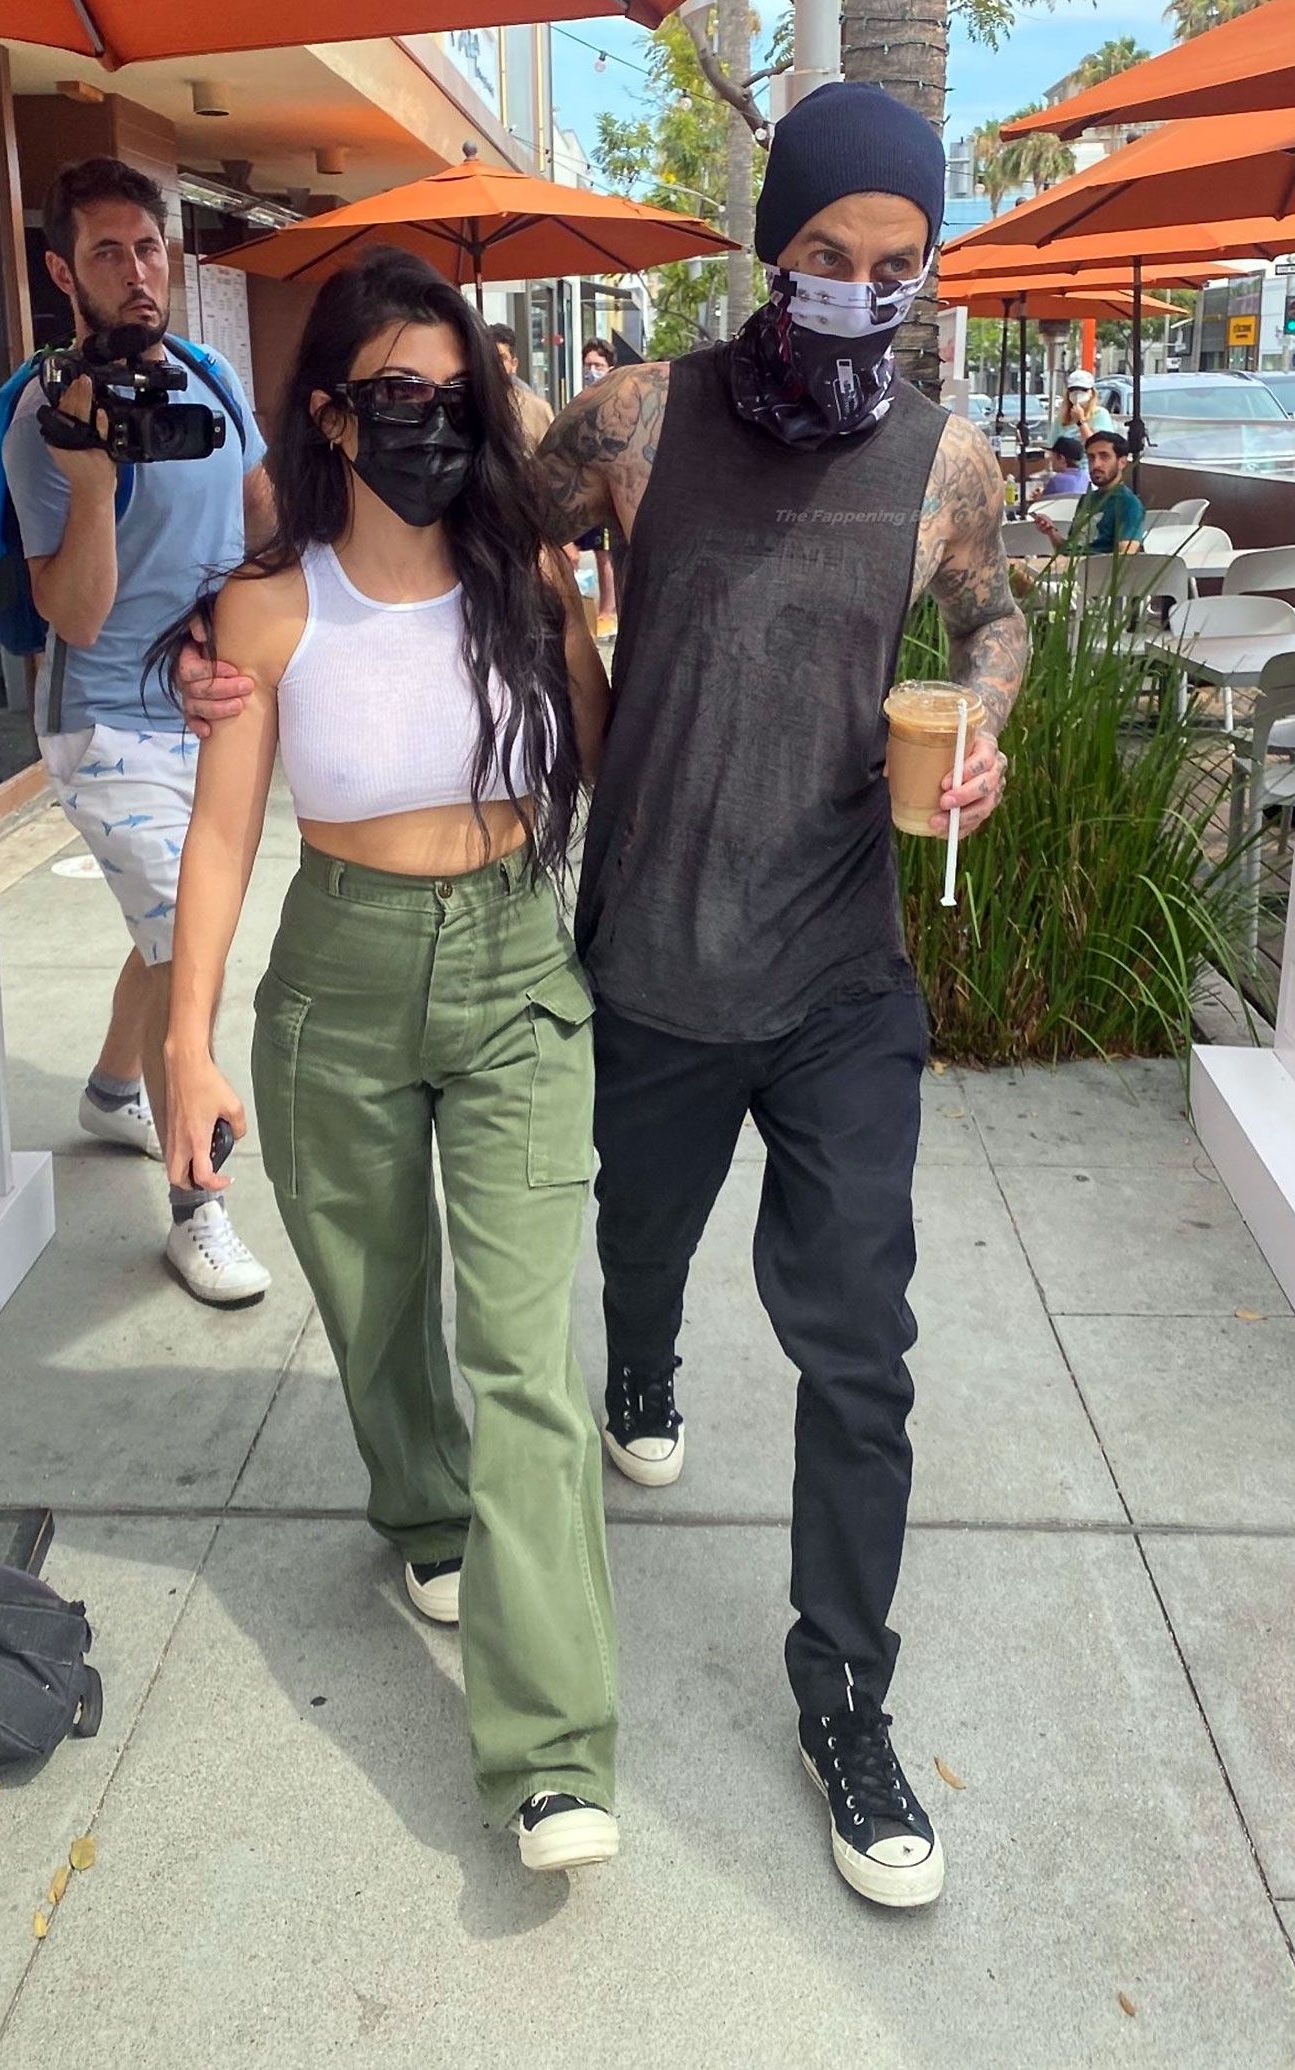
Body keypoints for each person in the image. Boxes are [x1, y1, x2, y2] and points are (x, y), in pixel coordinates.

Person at [176, 81, 1024, 1912]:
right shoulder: (637, 420)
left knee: (857, 1346)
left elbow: (993, 610)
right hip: (642, 958)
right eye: (824, 251)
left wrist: (984, 726)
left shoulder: (943, 459)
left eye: (895, 261)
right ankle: (638, 1352)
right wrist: (233, 636)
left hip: (839, 970)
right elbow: (454, 522)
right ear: (771, 249)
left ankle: (842, 1698)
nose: (858, 286)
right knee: (628, 1255)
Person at [156, 247, 620, 1874]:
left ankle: (551, 1753)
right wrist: (186, 1046)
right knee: (375, 1313)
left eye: (452, 393)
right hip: (336, 983)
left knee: (520, 1355)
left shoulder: (525, 579)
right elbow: (222, 838)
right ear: (331, 417)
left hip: (512, 973)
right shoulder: (266, 609)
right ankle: (423, 1513)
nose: (428, 422)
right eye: (393, 395)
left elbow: (606, 755)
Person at [3, 156, 274, 1305]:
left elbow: (260, 515)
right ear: (64, 271)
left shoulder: (211, 377)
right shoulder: (45, 416)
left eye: (148, 247)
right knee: (184, 942)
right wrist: (91, 480)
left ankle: (114, 1090)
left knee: (171, 928)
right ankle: (196, 1206)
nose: (136, 270)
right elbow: (73, 613)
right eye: (106, 252)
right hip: (106, 718)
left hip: (207, 710)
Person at [1031, 429, 1143, 557]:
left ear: (1122, 462)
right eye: (1091, 458)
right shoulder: (1087, 499)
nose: (1096, 464)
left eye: (1104, 456)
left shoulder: (1128, 504)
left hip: (1095, 569)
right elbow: (1069, 551)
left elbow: (1125, 559)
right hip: (1071, 567)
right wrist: (1052, 532)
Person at [577, 337, 619, 636]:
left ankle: (607, 611)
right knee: (581, 551)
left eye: (598, 365)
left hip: (607, 494)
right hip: (583, 491)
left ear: (610, 368)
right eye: (588, 365)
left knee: (605, 556)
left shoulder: (616, 404)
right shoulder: (580, 403)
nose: (592, 371)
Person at [488, 322, 553, 450]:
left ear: (514, 364)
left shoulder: (537, 410)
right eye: (490, 358)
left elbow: (553, 457)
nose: (495, 364)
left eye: (502, 358)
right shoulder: (469, 407)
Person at [1049, 367, 1114, 445]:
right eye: (1073, 390)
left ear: (1091, 392)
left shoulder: (1100, 414)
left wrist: (1080, 421)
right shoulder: (1062, 418)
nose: (1077, 393)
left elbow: (1098, 445)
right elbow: (1052, 445)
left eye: (1083, 389)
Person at [1033, 431, 1088, 499]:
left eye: (1052, 455)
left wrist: (1038, 497)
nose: (1051, 459)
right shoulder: (1086, 477)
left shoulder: (1056, 480)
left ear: (1061, 458)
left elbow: (1043, 502)